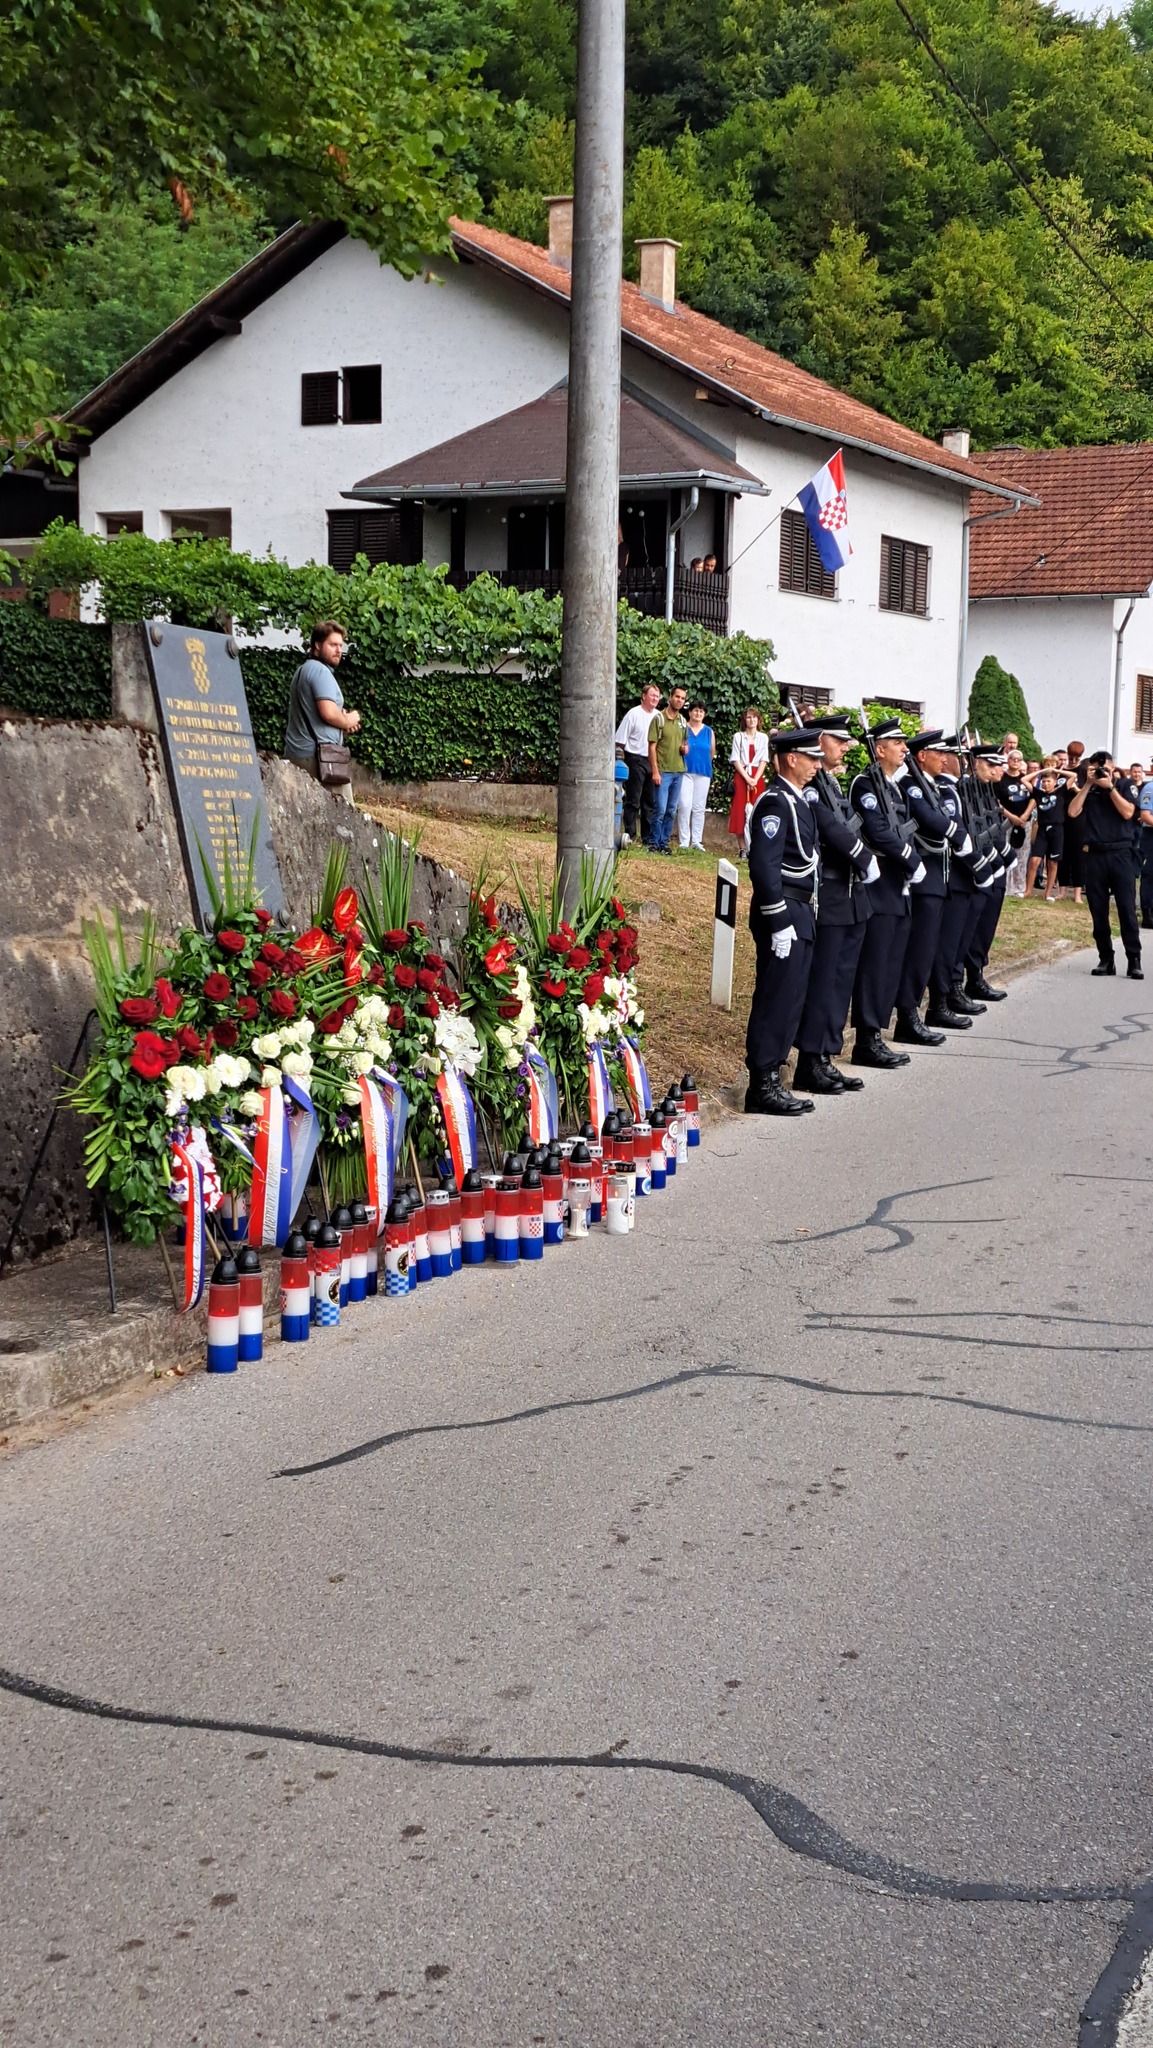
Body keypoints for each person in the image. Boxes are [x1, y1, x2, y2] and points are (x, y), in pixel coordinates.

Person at [792, 714, 876, 1095]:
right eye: (839, 741)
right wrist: (864, 856)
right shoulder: (812, 788)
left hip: (851, 896)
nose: (845, 747)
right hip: (830, 894)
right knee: (824, 982)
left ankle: (827, 1054)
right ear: (820, 741)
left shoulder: (830, 782)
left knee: (840, 982)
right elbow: (830, 828)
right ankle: (810, 1061)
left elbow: (850, 823)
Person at [744, 728, 824, 1115]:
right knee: (776, 998)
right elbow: (763, 865)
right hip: (784, 910)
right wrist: (777, 921)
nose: (816, 765)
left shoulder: (798, 802)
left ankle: (773, 1074)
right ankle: (761, 1083)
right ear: (791, 758)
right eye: (811, 758)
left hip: (800, 909)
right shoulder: (776, 803)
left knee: (791, 998)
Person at [848, 718, 925, 1069]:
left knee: (891, 964)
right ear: (879, 749)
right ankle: (866, 1038)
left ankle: (879, 1032)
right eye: (897, 743)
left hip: (898, 888)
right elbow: (878, 832)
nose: (904, 748)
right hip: (878, 889)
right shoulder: (866, 784)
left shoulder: (894, 787)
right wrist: (911, 858)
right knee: (874, 966)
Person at [894, 730, 974, 1041]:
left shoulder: (932, 787)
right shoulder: (911, 786)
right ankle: (907, 1015)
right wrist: (958, 835)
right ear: (921, 756)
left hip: (937, 879)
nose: (945, 757)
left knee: (931, 950)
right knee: (918, 952)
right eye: (937, 752)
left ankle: (929, 1007)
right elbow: (928, 819)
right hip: (923, 880)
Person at [927, 735, 1001, 1019]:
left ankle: (953, 989)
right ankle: (945, 996)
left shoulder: (967, 789)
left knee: (962, 939)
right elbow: (959, 833)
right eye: (953, 755)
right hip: (958, 875)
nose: (953, 760)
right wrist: (980, 866)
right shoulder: (948, 790)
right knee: (949, 944)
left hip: (970, 874)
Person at [1066, 752, 1142, 977]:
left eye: (1104, 768)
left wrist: (1110, 787)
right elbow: (1072, 811)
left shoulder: (1125, 785)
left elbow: (1128, 812)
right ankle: (1105, 959)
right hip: (1095, 855)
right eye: (1096, 769)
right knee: (1098, 910)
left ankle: (1134, 959)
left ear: (1113, 767)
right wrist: (1088, 784)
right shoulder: (1090, 789)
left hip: (1121, 854)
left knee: (1126, 909)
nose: (1100, 772)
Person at [283, 621, 360, 804]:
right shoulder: (319, 671)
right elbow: (328, 713)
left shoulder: (303, 670)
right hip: (319, 759)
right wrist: (348, 719)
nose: (338, 650)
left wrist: (340, 724)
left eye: (341, 645)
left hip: (301, 753)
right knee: (343, 815)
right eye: (333, 645)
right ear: (317, 645)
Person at [962, 745, 1011, 1000]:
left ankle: (977, 974)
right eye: (990, 765)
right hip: (978, 866)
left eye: (997, 765)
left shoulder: (987, 790)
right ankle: (965, 978)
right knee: (972, 926)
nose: (996, 770)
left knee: (987, 923)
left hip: (994, 863)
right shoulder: (965, 788)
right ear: (974, 763)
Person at [616, 682, 661, 847]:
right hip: (635, 758)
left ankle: (647, 838)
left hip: (653, 760)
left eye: (657, 696)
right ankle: (630, 834)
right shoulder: (633, 714)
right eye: (652, 695)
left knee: (649, 801)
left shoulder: (659, 716)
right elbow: (620, 740)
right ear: (644, 696)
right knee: (633, 799)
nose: (655, 698)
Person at [647, 684, 689, 853]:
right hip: (663, 771)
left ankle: (664, 843)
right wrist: (655, 771)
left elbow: (684, 744)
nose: (679, 700)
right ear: (670, 697)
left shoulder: (683, 721)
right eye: (677, 697)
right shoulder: (659, 719)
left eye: (683, 698)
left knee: (671, 810)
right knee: (660, 809)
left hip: (678, 771)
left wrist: (685, 749)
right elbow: (651, 747)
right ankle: (653, 843)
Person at [728, 708, 769, 854]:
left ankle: (755, 846)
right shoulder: (738, 737)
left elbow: (764, 760)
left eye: (754, 718)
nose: (751, 720)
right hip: (742, 776)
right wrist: (746, 778)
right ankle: (742, 848)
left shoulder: (763, 737)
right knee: (740, 811)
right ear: (744, 720)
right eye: (748, 717)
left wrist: (755, 779)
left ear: (758, 720)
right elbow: (735, 759)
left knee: (757, 811)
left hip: (757, 777)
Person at [676, 701, 715, 851]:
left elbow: (711, 752)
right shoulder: (683, 728)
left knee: (699, 807)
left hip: (703, 772)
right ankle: (684, 841)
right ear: (690, 712)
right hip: (685, 771)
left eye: (701, 711)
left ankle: (697, 841)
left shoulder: (709, 731)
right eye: (695, 711)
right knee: (685, 805)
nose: (698, 714)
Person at [998, 749, 1036, 897]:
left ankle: (1019, 886)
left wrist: (1026, 814)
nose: (1015, 761)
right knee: (1006, 852)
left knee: (1022, 853)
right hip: (1006, 821)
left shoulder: (1025, 779)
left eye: (1019, 759)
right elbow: (996, 802)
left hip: (1024, 822)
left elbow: (1035, 797)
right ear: (1008, 761)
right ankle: (1006, 886)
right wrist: (1011, 816)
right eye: (1012, 758)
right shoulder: (1002, 780)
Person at [1028, 764, 1065, 901]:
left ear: (1055, 782)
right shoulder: (1039, 793)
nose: (1046, 783)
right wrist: (1040, 772)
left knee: (1052, 863)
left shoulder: (1060, 792)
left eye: (1049, 781)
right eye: (1044, 781)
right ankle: (1028, 890)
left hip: (1057, 829)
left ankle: (1048, 893)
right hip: (1042, 829)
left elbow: (1072, 777)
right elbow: (1024, 780)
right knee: (1034, 860)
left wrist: (1056, 771)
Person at [1139, 765, 1153, 929]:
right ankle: (1147, 913)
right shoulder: (1150, 788)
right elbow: (1145, 816)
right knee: (1150, 874)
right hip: (1151, 835)